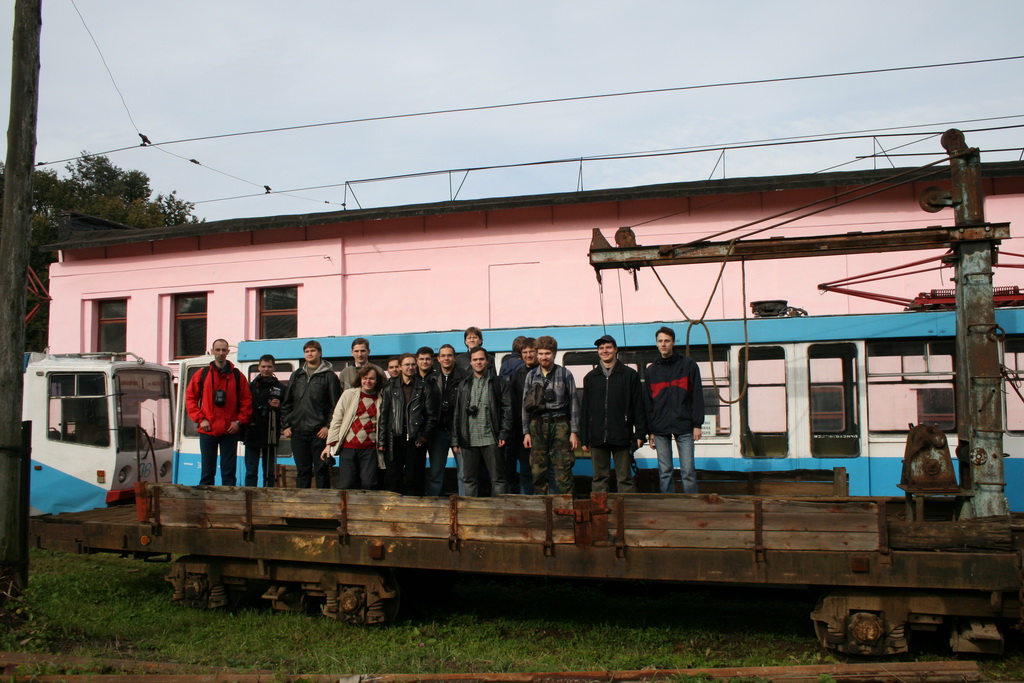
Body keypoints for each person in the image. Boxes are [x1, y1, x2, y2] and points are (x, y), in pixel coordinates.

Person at [580, 335, 648, 493]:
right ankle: (600, 514)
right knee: (599, 478)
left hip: (622, 434)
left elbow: (638, 406)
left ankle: (628, 512)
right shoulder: (590, 378)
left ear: (615, 350)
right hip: (597, 435)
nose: (605, 351)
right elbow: (586, 409)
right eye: (601, 348)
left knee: (624, 478)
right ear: (598, 352)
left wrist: (640, 434)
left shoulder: (630, 375)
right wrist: (584, 437)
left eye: (608, 347)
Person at [645, 326, 705, 494]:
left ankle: (692, 505)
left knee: (688, 471)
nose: (663, 344)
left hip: (684, 424)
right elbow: (648, 402)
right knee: (665, 472)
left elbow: (697, 395)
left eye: (667, 341)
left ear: (673, 342)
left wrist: (697, 424)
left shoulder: (688, 365)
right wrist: (650, 432)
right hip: (660, 427)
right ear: (656, 344)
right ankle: (668, 506)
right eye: (660, 341)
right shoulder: (651, 370)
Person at [185, 338, 252, 486]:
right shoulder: (202, 374)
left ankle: (229, 505)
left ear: (228, 352)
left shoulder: (237, 376)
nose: (221, 353)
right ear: (212, 351)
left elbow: (246, 401)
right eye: (218, 350)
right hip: (208, 430)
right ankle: (206, 505)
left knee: (229, 473)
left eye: (224, 350)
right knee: (207, 472)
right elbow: (190, 398)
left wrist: (239, 422)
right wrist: (200, 419)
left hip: (230, 430)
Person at [521, 335, 580, 495]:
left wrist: (574, 432)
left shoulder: (565, 374)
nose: (543, 357)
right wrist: (526, 432)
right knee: (538, 471)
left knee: (563, 470)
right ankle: (542, 511)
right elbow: (525, 407)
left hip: (560, 425)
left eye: (547, 353)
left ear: (554, 353)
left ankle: (567, 510)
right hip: (537, 425)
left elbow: (574, 403)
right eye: (540, 353)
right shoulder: (531, 376)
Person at [450, 347, 511, 496]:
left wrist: (503, 433)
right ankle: (471, 513)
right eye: (475, 359)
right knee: (469, 479)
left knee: (498, 479)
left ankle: (498, 512)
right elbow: (457, 414)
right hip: (469, 439)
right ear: (470, 362)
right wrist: (455, 440)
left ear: (487, 361)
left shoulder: (499, 383)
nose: (478, 362)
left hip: (492, 438)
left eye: (481, 359)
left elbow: (507, 410)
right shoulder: (463, 385)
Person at [281, 340, 341, 489]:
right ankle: (302, 506)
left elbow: (336, 405)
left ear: (319, 353)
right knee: (302, 471)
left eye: (313, 351)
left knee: (321, 470)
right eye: (307, 351)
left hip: (319, 433)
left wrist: (328, 427)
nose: (309, 354)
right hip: (298, 432)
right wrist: (286, 425)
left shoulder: (329, 376)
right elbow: (287, 402)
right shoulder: (296, 375)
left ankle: (323, 506)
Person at [378, 353, 438, 495]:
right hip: (394, 439)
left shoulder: (424, 388)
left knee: (414, 480)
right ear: (400, 367)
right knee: (393, 480)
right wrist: (382, 441)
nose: (410, 367)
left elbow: (431, 417)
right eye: (406, 364)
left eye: (412, 364)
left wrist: (423, 437)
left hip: (415, 440)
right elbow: (384, 417)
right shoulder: (389, 388)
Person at [322, 365, 383, 490]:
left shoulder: (381, 398)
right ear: (360, 379)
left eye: (372, 379)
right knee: (346, 485)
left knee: (369, 484)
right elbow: (337, 420)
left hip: (370, 449)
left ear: (377, 380)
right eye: (365, 378)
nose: (368, 381)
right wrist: (329, 445)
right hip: (348, 447)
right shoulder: (349, 394)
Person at [426, 343, 466, 496]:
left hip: (459, 432)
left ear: (454, 358)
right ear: (438, 359)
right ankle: (434, 508)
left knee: (464, 474)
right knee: (435, 474)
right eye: (443, 355)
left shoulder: (465, 377)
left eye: (449, 355)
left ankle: (464, 506)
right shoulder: (431, 379)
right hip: (438, 432)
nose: (446, 358)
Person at [242, 354, 285, 487]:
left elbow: (288, 409)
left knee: (270, 472)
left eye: (269, 366)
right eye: (263, 366)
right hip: (252, 431)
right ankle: (249, 497)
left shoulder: (281, 388)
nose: (266, 369)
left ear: (274, 368)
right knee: (251, 470)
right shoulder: (250, 387)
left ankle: (270, 496)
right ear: (258, 367)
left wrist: (279, 406)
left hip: (271, 432)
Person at [507, 337, 537, 494]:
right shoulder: (518, 373)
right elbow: (513, 402)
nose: (528, 355)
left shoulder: (545, 370)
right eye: (525, 352)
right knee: (525, 470)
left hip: (542, 428)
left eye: (531, 351)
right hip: (521, 430)